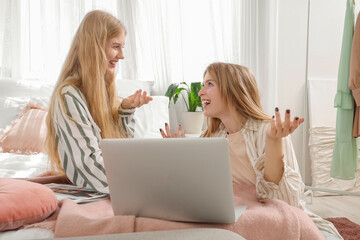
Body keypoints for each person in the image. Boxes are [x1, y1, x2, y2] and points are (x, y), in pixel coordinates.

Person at [160, 62, 342, 239]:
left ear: (233, 91)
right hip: (236, 218)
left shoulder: (269, 130)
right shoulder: (211, 137)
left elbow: (286, 201)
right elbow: (200, 190)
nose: (200, 92)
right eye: (202, 84)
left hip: (275, 217)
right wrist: (182, 154)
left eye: (209, 84)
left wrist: (273, 141)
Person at [45, 10, 152, 194]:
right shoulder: (68, 96)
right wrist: (145, 187)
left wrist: (125, 111)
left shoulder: (103, 89)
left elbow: (120, 151)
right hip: (101, 187)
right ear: (95, 47)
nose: (122, 56)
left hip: (115, 181)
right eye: (116, 46)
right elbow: (88, 166)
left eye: (122, 47)